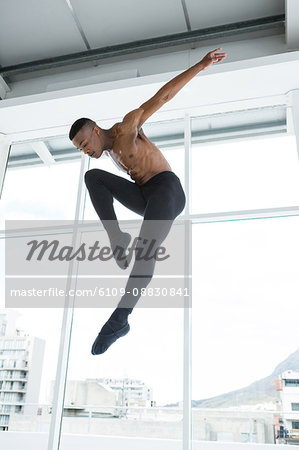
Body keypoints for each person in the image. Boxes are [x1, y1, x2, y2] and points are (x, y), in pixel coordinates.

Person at [69, 47, 227, 355]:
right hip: (144, 195)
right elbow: (105, 177)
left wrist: (201, 64)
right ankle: (117, 238)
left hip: (167, 191)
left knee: (145, 250)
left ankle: (120, 319)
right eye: (80, 148)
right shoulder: (110, 152)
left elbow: (163, 96)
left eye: (85, 143)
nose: (85, 150)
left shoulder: (127, 128)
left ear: (97, 131)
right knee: (93, 178)